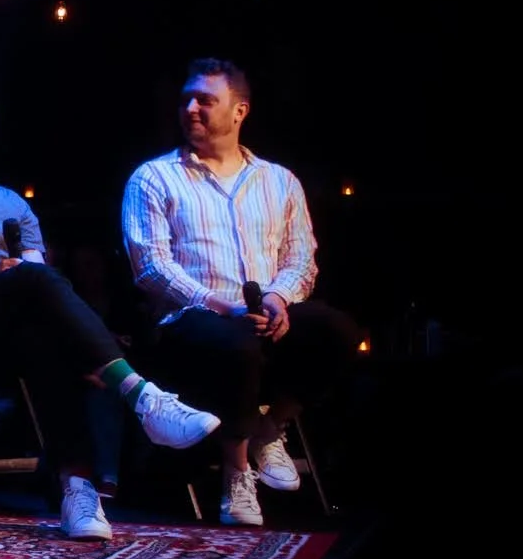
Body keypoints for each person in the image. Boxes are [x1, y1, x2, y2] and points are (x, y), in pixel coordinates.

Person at [0, 78, 222, 541]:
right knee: (34, 284)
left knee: (48, 338)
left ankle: (78, 489)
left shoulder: (10, 202)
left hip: (7, 331)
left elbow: (42, 290)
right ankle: (140, 396)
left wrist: (16, 286)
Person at [121, 58, 364, 526]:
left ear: (239, 111)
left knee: (338, 330)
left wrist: (277, 299)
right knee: (236, 345)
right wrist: (223, 306)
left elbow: (301, 259)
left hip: (264, 314)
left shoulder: (279, 180)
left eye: (205, 100)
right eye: (186, 100)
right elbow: (152, 268)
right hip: (191, 321)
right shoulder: (154, 177)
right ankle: (237, 474)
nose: (191, 109)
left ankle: (270, 427)